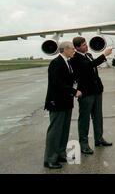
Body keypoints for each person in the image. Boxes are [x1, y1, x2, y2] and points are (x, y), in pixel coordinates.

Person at [71, 37, 113, 155]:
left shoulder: (88, 55)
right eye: (84, 45)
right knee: (84, 119)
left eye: (86, 44)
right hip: (86, 93)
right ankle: (84, 144)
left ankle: (99, 139)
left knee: (98, 116)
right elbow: (89, 66)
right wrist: (104, 55)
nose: (86, 46)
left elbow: (93, 68)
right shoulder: (75, 58)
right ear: (77, 47)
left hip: (96, 91)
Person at [44, 41, 82, 169]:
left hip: (66, 102)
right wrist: (74, 91)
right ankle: (50, 159)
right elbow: (57, 83)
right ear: (65, 49)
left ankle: (60, 154)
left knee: (64, 130)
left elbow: (71, 78)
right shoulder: (56, 63)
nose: (74, 51)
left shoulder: (68, 62)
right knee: (55, 131)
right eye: (72, 49)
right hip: (57, 102)